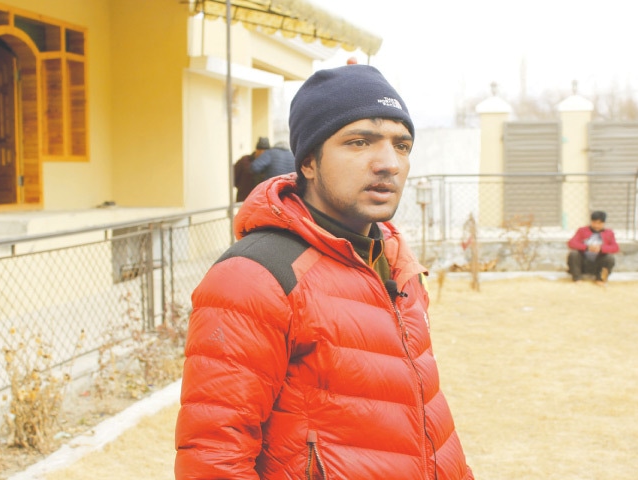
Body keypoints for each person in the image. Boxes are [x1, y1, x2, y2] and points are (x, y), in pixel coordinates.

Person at [175, 65, 474, 479]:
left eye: (402, 145)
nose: (389, 162)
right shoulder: (255, 276)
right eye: (359, 142)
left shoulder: (394, 262)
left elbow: (421, 421)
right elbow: (214, 456)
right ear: (309, 162)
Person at [567, 210, 619, 285]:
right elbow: (571, 243)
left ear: (604, 223)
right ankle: (577, 278)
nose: (596, 226)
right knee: (573, 254)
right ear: (591, 222)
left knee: (610, 258)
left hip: (598, 264)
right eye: (594, 222)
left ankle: (600, 279)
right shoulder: (582, 230)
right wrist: (587, 247)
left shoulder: (609, 233)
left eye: (599, 223)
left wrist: (601, 249)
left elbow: (615, 248)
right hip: (583, 263)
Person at [233, 136, 269, 201]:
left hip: (260, 201)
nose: (262, 153)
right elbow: (234, 178)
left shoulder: (269, 164)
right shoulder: (244, 160)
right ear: (256, 150)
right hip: (244, 199)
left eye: (264, 151)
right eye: (260, 150)